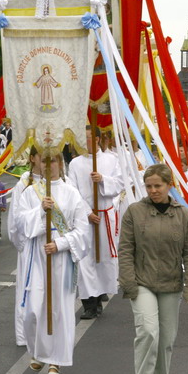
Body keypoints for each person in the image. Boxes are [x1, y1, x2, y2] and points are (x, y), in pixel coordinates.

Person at [118, 163, 188, 374]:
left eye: (158, 186)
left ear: (169, 186)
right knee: (148, 332)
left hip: (171, 283)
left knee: (166, 339)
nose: (153, 190)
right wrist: (129, 284)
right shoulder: (134, 212)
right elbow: (125, 251)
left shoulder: (183, 215)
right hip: (141, 283)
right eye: (149, 186)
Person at [16, 153, 90, 374]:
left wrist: (60, 244)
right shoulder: (31, 192)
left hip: (60, 258)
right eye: (45, 161)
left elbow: (82, 230)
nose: (49, 166)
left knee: (58, 310)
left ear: (61, 164)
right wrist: (40, 210)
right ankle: (39, 351)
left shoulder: (71, 194)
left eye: (54, 161)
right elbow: (19, 222)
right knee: (33, 311)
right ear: (39, 163)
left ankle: (55, 362)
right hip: (37, 256)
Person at [67, 126, 123, 319]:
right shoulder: (75, 163)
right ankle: (88, 303)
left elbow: (120, 183)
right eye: (83, 139)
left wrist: (103, 179)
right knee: (85, 260)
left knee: (103, 259)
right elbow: (72, 191)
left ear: (98, 139)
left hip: (105, 215)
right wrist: (87, 212)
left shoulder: (111, 160)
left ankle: (99, 296)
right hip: (85, 218)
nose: (87, 142)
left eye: (90, 138)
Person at [8, 147, 41, 347]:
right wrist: (22, 245)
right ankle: (25, 334)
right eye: (42, 157)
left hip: (54, 246)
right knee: (26, 289)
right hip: (30, 244)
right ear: (32, 158)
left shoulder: (62, 182)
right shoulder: (23, 184)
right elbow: (14, 220)